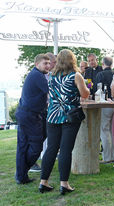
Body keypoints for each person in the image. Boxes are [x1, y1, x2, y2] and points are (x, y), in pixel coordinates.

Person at [39, 49, 89, 195]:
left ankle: (43, 182)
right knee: (66, 150)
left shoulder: (51, 75)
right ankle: (64, 184)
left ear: (58, 60)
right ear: (72, 60)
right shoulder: (76, 75)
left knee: (51, 149)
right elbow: (85, 94)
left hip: (52, 116)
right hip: (69, 116)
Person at [15, 54, 50, 184]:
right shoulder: (37, 75)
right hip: (30, 116)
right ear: (37, 64)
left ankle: (21, 176)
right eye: (44, 63)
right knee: (36, 146)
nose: (48, 65)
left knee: (23, 146)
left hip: (25, 114)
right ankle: (22, 172)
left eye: (48, 63)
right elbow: (51, 91)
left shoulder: (35, 74)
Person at [30, 52, 57, 173]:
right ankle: (32, 162)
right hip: (37, 111)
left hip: (44, 110)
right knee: (38, 138)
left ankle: (41, 158)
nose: (54, 65)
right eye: (52, 63)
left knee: (45, 135)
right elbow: (49, 92)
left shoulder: (48, 74)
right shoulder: (40, 76)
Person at [96, 57, 114, 164]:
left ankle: (107, 157)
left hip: (105, 103)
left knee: (104, 130)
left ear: (103, 63)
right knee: (113, 130)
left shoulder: (100, 74)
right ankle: (113, 155)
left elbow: (97, 90)